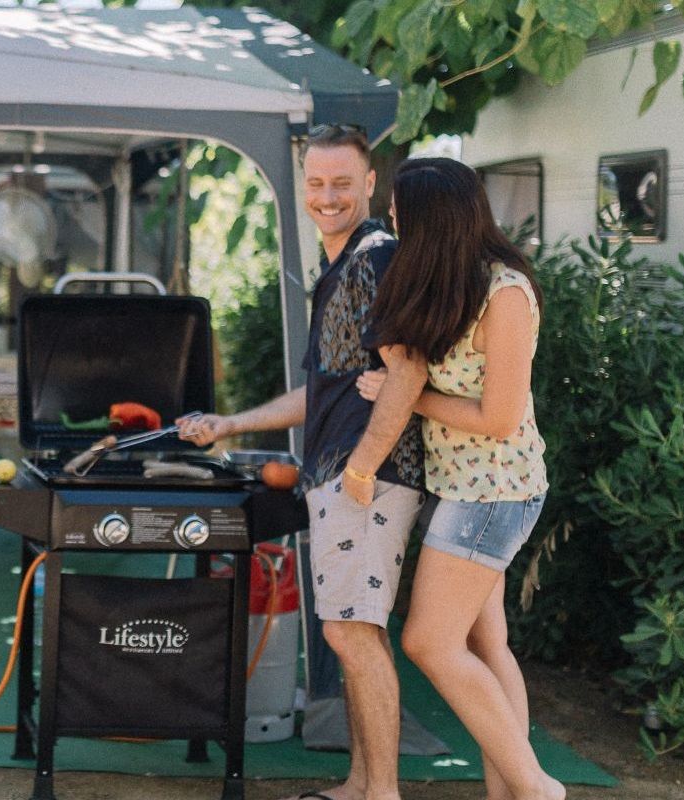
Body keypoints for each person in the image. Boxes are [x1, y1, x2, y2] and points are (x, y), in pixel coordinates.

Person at [180, 123, 423, 800]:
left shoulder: (378, 257)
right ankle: (358, 784)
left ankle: (382, 795)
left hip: (367, 479)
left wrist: (362, 470)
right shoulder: (339, 268)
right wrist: (230, 423)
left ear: (369, 185)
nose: (327, 196)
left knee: (353, 632)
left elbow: (408, 370)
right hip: (341, 476)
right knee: (347, 632)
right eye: (315, 183)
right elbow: (320, 388)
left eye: (342, 183)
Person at [345, 157, 564, 800]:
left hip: (495, 493)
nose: (390, 221)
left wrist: (404, 396)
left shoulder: (505, 295)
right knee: (485, 639)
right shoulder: (453, 281)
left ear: (431, 221)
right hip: (464, 487)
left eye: (399, 213)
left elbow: (497, 419)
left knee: (429, 642)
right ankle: (512, 792)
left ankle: (535, 786)